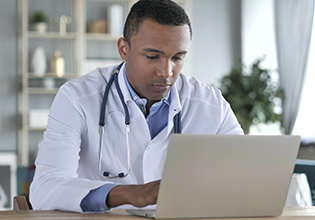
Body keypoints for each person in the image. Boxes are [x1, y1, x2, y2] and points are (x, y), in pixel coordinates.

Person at [29, 0, 243, 213]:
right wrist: (127, 194)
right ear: (124, 49)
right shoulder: (76, 98)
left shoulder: (211, 104)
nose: (166, 72)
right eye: (152, 56)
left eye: (177, 58)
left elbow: (246, 175)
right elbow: (45, 188)